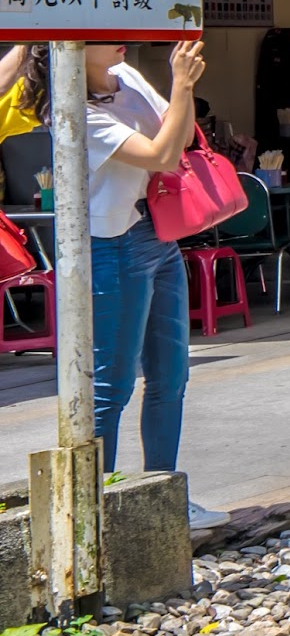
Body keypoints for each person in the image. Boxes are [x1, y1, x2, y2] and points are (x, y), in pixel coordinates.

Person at [23, 41, 227, 531]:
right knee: (109, 387)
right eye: (102, 32)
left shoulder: (127, 76)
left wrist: (179, 97)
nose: (122, 37)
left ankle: (165, 494)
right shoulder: (70, 109)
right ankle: (97, 510)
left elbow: (180, 135)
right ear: (69, 46)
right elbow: (161, 153)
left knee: (171, 377)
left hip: (156, 231)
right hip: (109, 242)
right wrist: (181, 85)